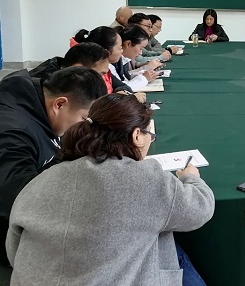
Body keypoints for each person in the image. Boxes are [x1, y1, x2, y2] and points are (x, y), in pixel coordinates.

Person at [6, 94, 215, 284]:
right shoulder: (144, 178)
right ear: (136, 135)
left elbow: (14, 248)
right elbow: (200, 208)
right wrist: (190, 177)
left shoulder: (42, 179)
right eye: (149, 134)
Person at [0, 67, 107, 265]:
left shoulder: (40, 104)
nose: (85, 128)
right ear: (59, 104)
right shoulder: (13, 132)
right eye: (84, 119)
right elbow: (16, 199)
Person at [73, 26, 145, 102]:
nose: (121, 51)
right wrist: (125, 98)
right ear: (106, 52)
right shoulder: (89, 73)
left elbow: (122, 86)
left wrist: (121, 92)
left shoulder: (107, 69)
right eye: (120, 48)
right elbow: (98, 103)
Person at [111, 25, 160, 92]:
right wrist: (144, 78)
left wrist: (143, 74)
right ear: (128, 44)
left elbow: (125, 77)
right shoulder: (112, 62)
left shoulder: (124, 59)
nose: (140, 52)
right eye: (140, 48)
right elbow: (121, 86)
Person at [29, 42, 110, 81]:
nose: (102, 80)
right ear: (79, 69)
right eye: (101, 74)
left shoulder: (64, 74)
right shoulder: (51, 88)